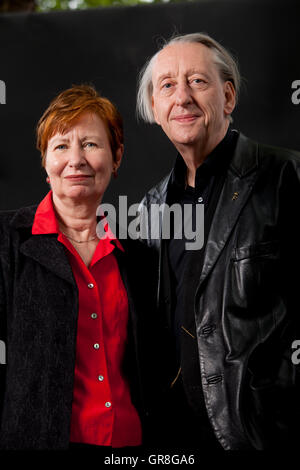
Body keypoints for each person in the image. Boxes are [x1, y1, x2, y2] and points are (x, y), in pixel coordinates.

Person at [136, 32, 300, 450]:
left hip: (261, 434)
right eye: (167, 85)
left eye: (198, 81)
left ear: (227, 97)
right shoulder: (149, 209)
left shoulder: (283, 176)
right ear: (155, 108)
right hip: (173, 441)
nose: (182, 97)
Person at [0, 84, 153, 450]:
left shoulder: (136, 257)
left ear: (116, 158)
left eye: (91, 144)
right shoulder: (8, 241)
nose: (76, 159)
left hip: (128, 447)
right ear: (45, 164)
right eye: (61, 146)